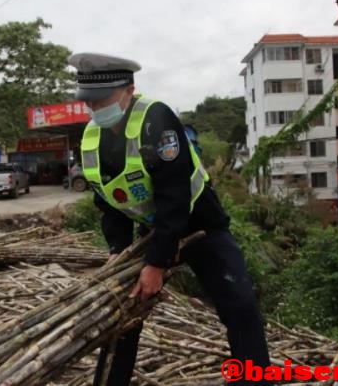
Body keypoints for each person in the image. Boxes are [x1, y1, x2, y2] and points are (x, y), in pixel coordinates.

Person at [69, 52, 272, 385]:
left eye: (102, 99)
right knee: (124, 307)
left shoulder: (156, 121)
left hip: (199, 225)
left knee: (241, 306)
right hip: (152, 231)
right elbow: (109, 200)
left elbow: (175, 196)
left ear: (128, 90)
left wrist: (156, 264)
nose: (94, 108)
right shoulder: (91, 138)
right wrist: (117, 249)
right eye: (88, 102)